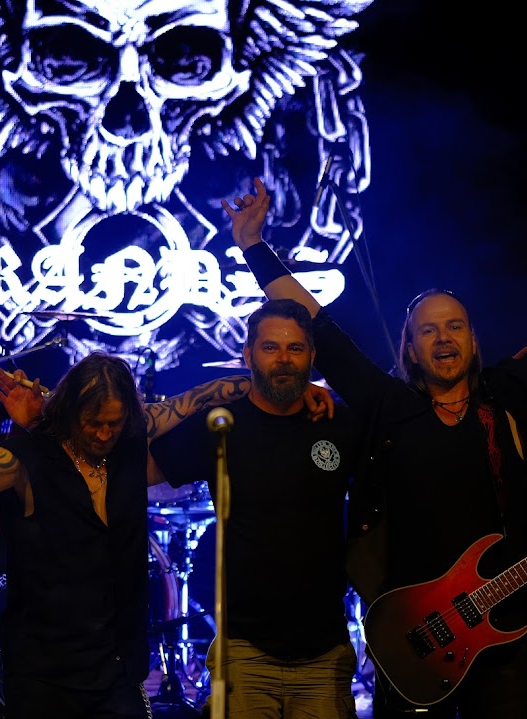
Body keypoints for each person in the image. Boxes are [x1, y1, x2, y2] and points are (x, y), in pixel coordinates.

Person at [221, 160, 527, 718]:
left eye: (454, 326)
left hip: (507, 634)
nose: (443, 337)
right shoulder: (391, 407)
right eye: (428, 330)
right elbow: (321, 328)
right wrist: (253, 246)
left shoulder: (511, 396)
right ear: (411, 348)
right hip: (414, 637)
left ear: (472, 340)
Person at [0, 354, 333, 719]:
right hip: (45, 674)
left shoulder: (129, 441)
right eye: (93, 424)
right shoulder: (27, 458)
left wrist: (297, 391)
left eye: (114, 424)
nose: (104, 434)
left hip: (117, 667)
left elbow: (207, 394)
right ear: (69, 413)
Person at [149, 298, 365, 718]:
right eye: (270, 348)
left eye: (295, 348)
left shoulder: (340, 425)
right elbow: (138, 469)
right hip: (243, 652)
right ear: (247, 355)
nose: (283, 359)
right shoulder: (219, 424)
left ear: (312, 356)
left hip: (325, 654)